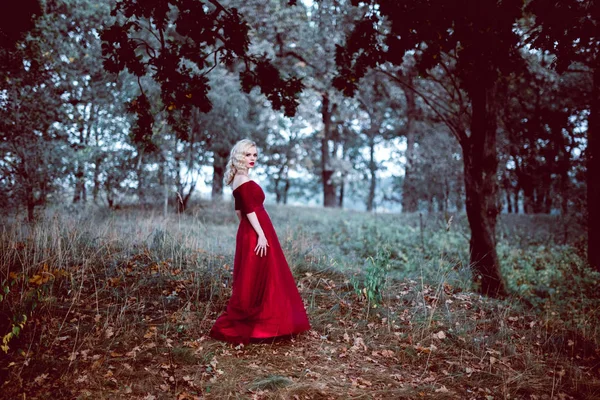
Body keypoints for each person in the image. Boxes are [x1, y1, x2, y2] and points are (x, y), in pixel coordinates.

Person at [209, 138, 311, 344]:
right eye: (248, 155)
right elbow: (249, 210)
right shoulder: (243, 180)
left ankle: (268, 322)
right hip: (257, 232)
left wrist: (248, 229)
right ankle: (263, 325)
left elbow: (239, 211)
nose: (252, 159)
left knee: (256, 275)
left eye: (255, 155)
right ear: (239, 156)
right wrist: (260, 234)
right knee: (262, 275)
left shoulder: (238, 179)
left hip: (249, 231)